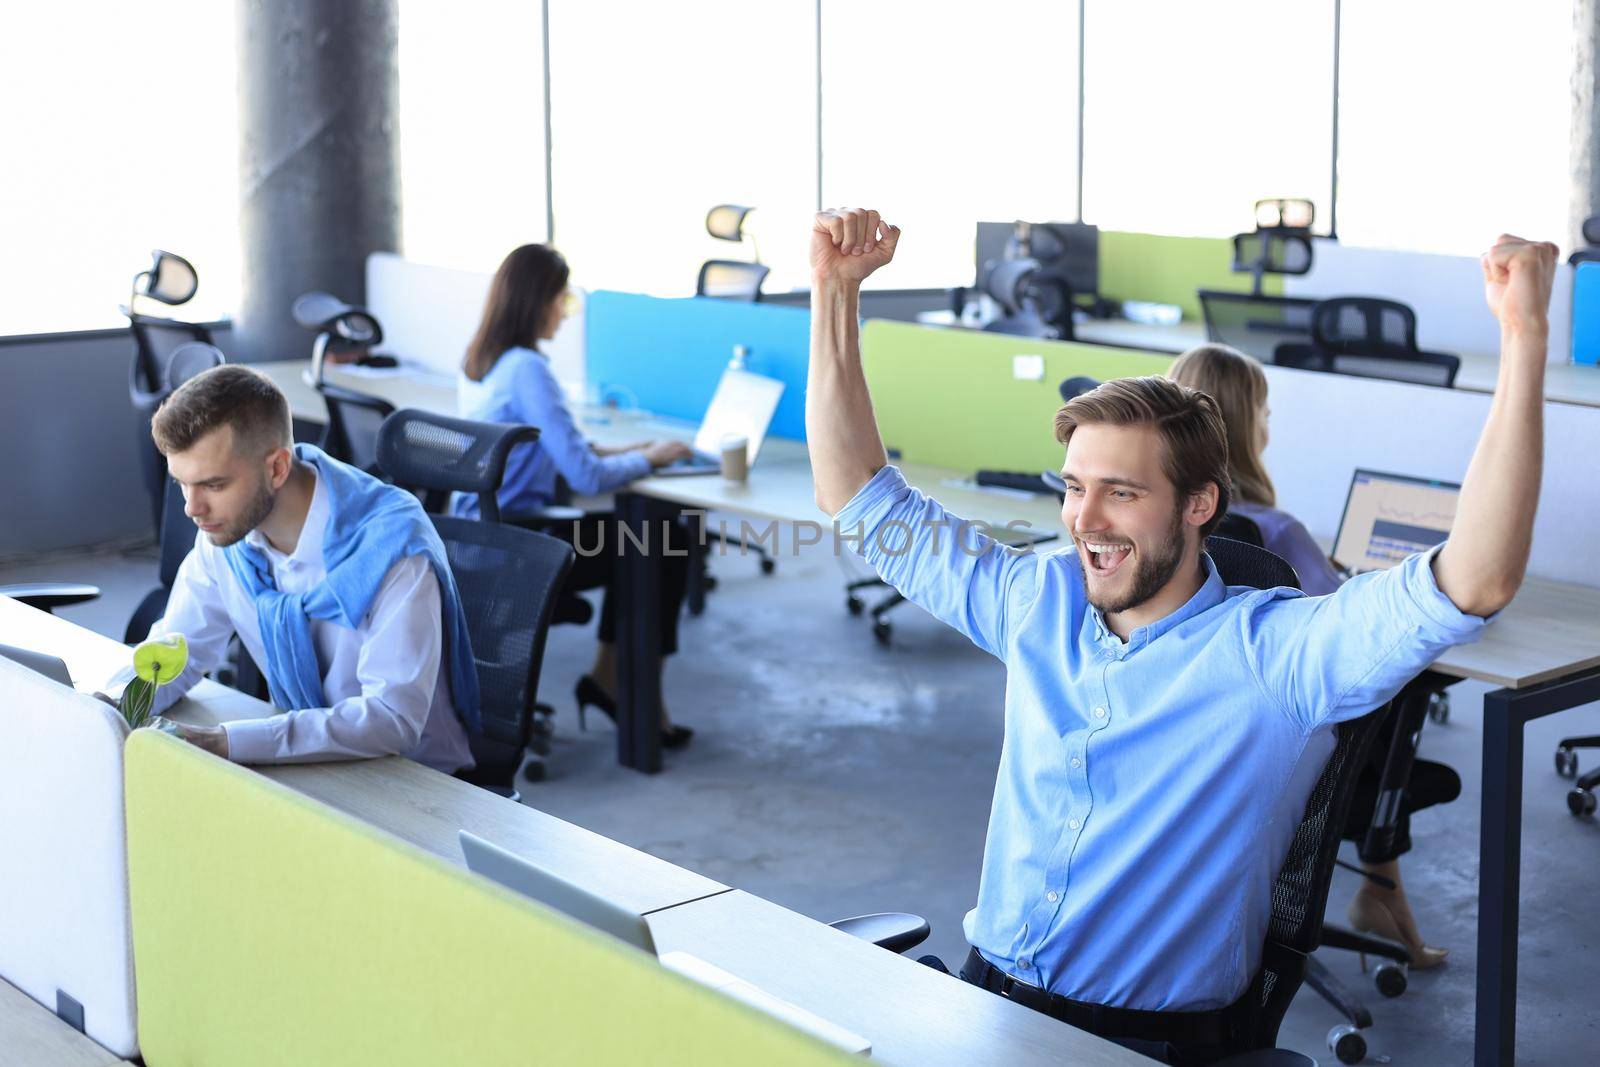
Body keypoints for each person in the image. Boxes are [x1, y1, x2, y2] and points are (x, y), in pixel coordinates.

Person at [807, 206, 1554, 1062]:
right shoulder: (1035, 599)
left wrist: (1524, 336)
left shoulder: (1277, 655)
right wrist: (835, 292)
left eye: (1121, 491)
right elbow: (856, 495)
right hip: (987, 1005)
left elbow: (1477, 575)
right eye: (1074, 485)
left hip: (1139, 1043)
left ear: (1199, 505)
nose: (1084, 518)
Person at [1169, 343, 1456, 969]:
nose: (1270, 424)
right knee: (1395, 707)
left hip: (1194, 745)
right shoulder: (1275, 531)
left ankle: (1380, 898)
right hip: (1286, 748)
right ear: (1247, 425)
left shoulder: (1164, 523)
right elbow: (1351, 634)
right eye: (1264, 411)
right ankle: (1383, 897)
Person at [106, 365, 480, 774]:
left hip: (413, 779)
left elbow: (392, 719)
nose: (191, 508)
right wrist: (110, 705)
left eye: (213, 485)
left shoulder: (393, 551)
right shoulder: (228, 535)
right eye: (182, 482)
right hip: (306, 763)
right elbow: (180, 649)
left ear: (277, 468)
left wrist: (230, 741)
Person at [456, 244, 693, 747]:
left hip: (477, 538)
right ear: (537, 300)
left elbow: (555, 444)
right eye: (561, 299)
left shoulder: (479, 361)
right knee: (665, 542)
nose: (564, 313)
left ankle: (611, 679)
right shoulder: (528, 368)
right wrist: (650, 459)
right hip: (521, 545)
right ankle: (632, 695)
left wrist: (632, 448)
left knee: (647, 538)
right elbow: (585, 477)